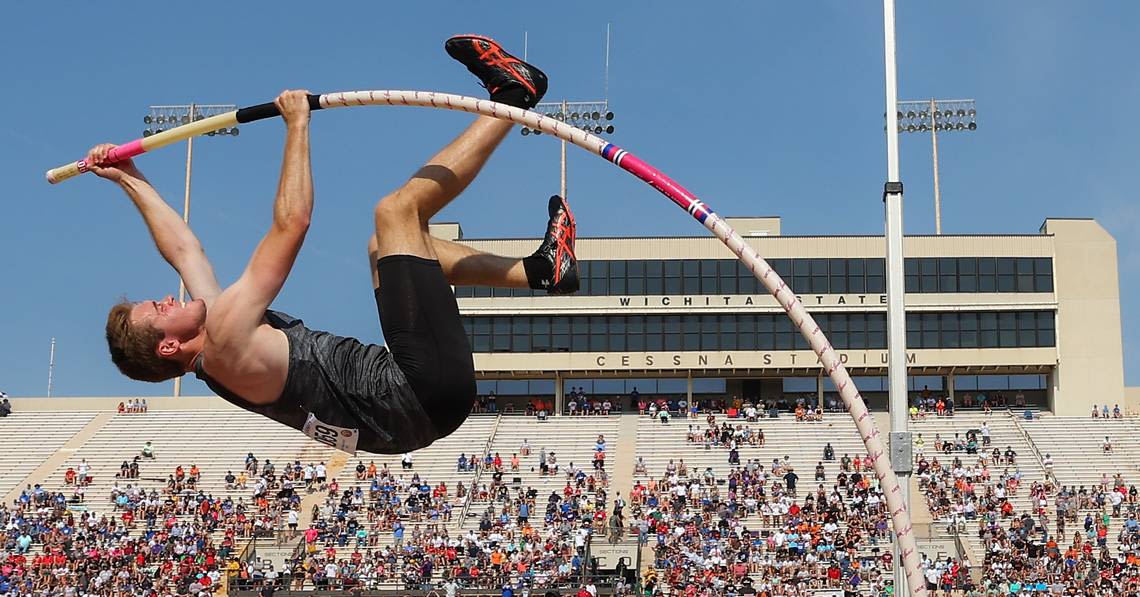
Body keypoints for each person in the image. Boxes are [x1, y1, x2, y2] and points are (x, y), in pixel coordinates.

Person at [91, 36, 577, 454]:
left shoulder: (217, 351)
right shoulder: (226, 339)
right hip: (417, 392)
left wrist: (127, 178)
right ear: (169, 345)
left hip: (414, 411)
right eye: (158, 307)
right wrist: (298, 125)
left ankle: (539, 270)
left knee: (382, 247)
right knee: (397, 212)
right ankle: (515, 93)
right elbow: (292, 224)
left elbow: (184, 250)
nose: (168, 296)